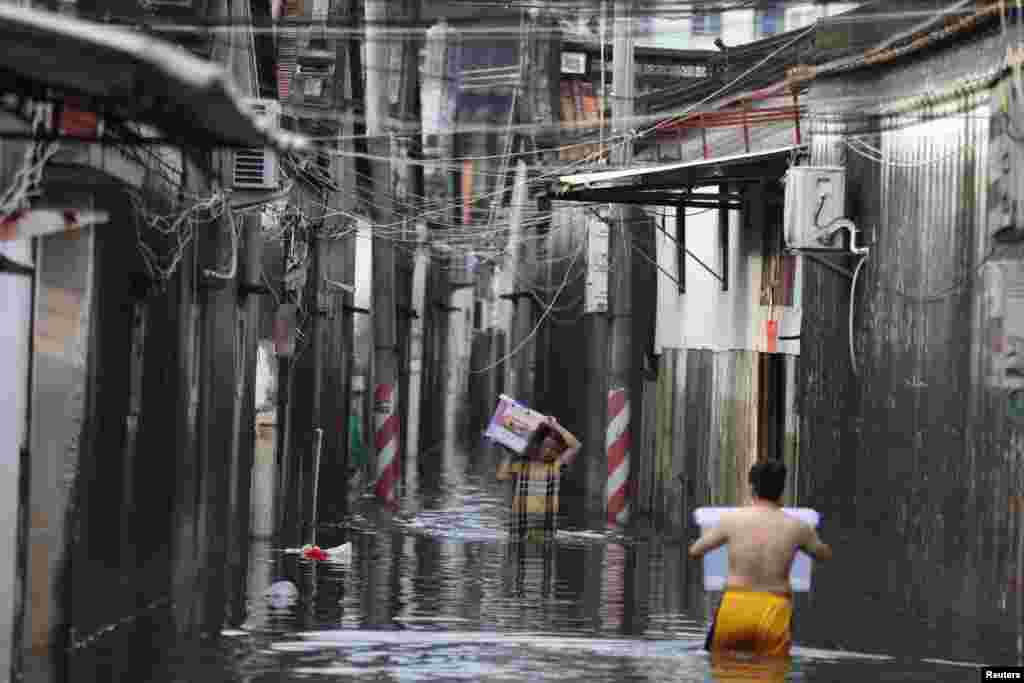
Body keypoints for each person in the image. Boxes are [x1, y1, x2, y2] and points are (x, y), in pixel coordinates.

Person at [688, 459, 832, 658]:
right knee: (771, 672)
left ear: (752, 489)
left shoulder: (731, 520)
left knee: (724, 669)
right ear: (782, 491)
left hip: (735, 608)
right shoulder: (798, 527)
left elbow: (695, 551)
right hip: (774, 611)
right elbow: (823, 555)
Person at [497, 415, 581, 542]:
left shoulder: (555, 467)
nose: (548, 451)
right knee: (517, 558)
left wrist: (555, 426)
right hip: (519, 528)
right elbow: (501, 476)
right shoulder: (523, 465)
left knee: (543, 556)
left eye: (553, 449)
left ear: (557, 452)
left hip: (544, 528)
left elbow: (575, 446)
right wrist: (510, 454)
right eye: (545, 446)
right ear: (539, 446)